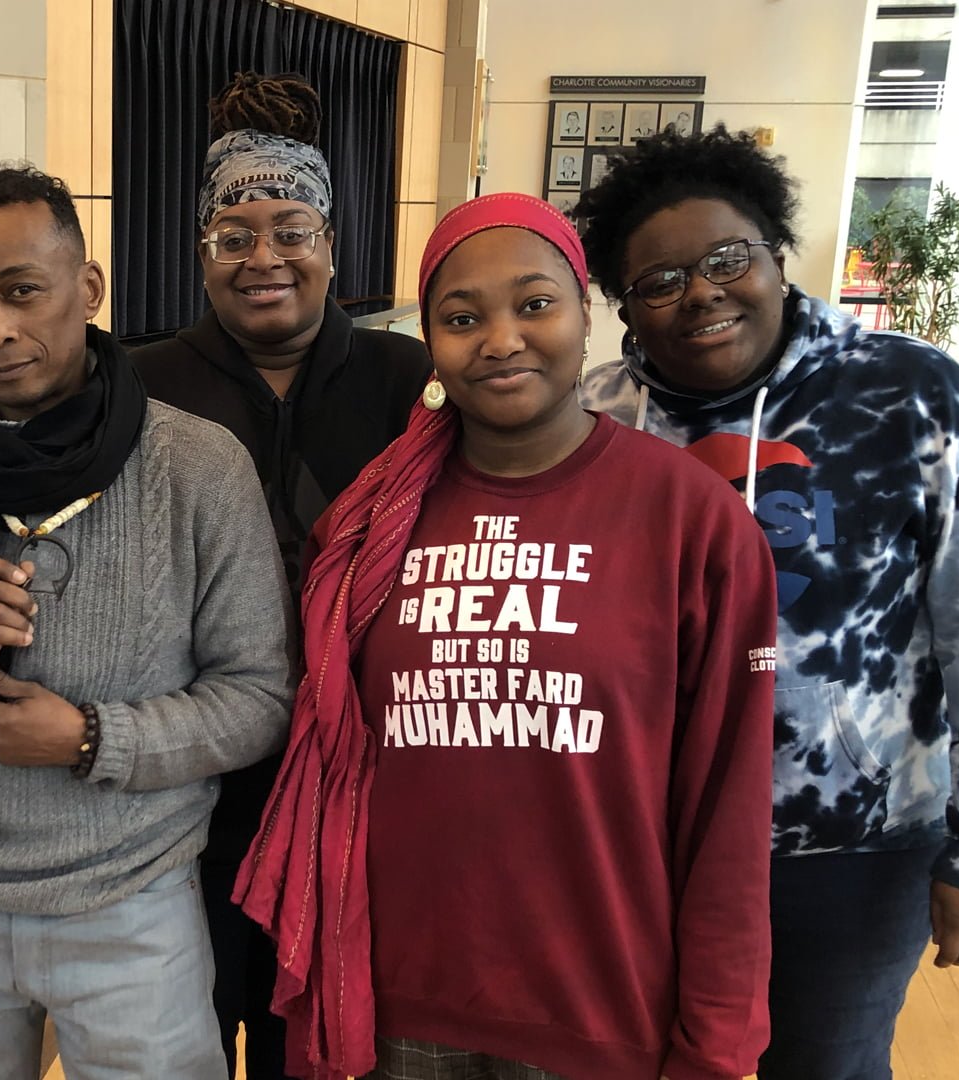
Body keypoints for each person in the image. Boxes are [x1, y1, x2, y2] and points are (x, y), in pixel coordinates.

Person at [238, 193, 780, 1080]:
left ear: (587, 313)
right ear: (431, 342)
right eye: (461, 317)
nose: (499, 339)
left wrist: (718, 1042)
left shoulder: (692, 520)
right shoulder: (369, 523)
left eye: (535, 304)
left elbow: (728, 802)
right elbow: (328, 767)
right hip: (394, 1005)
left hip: (601, 1012)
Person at [574, 126, 959, 1080]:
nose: (702, 293)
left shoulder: (911, 396)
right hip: (640, 844)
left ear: (775, 252)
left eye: (727, 259)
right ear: (624, 304)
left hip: (852, 847)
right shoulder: (594, 421)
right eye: (660, 280)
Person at [0, 162, 293, 1079]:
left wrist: (88, 739)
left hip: (132, 904)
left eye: (21, 292)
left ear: (87, 289)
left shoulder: (194, 467)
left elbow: (258, 700)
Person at [132, 71, 428, 1079]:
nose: (264, 258)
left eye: (292, 229)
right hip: (187, 798)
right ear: (201, 252)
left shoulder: (408, 382)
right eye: (234, 234)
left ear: (332, 246)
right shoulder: (138, 386)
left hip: (358, 791)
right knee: (189, 1039)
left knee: (327, 1048)